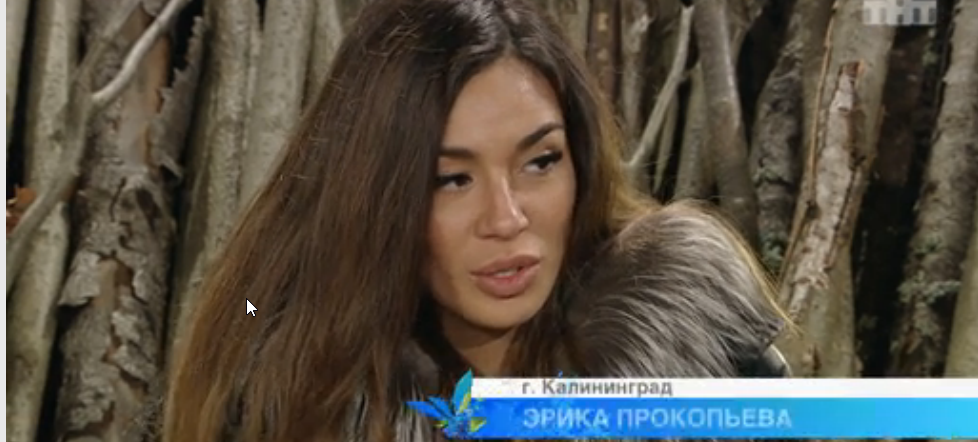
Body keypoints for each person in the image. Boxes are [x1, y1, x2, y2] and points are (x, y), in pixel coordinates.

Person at [161, 0, 790, 441]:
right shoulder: (293, 390)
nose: (507, 219)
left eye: (540, 162)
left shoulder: (686, 335)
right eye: (452, 179)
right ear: (376, 198)